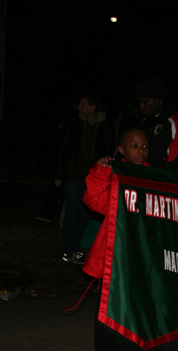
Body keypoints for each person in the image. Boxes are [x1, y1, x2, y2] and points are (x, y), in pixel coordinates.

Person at [82, 127, 177, 351]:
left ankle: (163, 349)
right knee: (108, 306)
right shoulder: (114, 174)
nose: (140, 150)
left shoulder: (155, 177)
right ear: (121, 149)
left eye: (144, 146)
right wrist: (102, 171)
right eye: (133, 146)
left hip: (146, 258)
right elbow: (95, 202)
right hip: (116, 255)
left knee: (150, 304)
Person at [58, 93, 115, 264]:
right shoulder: (74, 125)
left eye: (83, 104)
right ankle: (68, 250)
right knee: (72, 213)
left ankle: (75, 249)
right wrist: (59, 174)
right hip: (74, 176)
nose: (79, 108)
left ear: (93, 107)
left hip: (94, 179)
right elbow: (65, 149)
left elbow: (108, 153)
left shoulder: (106, 128)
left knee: (84, 214)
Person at [121, 74, 178, 173]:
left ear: (159, 100)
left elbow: (176, 166)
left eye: (145, 102)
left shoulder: (175, 124)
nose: (141, 106)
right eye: (140, 102)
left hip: (162, 184)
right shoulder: (144, 123)